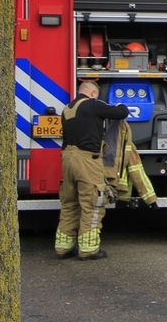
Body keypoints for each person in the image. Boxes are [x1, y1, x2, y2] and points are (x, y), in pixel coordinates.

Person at [54, 80, 129, 260]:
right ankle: (89, 249)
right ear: (93, 93)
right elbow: (121, 113)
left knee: (70, 203)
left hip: (67, 159)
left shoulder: (67, 109)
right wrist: (121, 105)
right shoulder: (93, 104)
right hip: (87, 160)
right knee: (93, 202)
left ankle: (63, 247)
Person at [103, 119, 158, 209]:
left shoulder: (97, 143)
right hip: (118, 190)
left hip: (99, 189)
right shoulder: (126, 145)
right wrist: (152, 201)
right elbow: (137, 173)